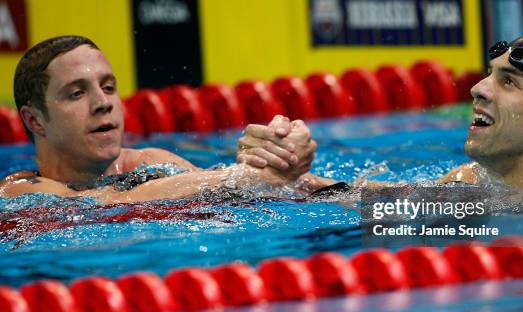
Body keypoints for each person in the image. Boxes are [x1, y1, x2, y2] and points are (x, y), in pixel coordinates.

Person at [237, 33, 523, 189]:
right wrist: (288, 172)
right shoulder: (471, 183)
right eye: (490, 74)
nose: (477, 89)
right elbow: (372, 201)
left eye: (509, 82)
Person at [0, 35, 316, 204]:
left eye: (108, 88)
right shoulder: (22, 190)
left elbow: (252, 189)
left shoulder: (150, 164)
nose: (103, 103)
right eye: (77, 94)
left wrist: (286, 164)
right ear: (35, 121)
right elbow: (101, 205)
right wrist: (244, 177)